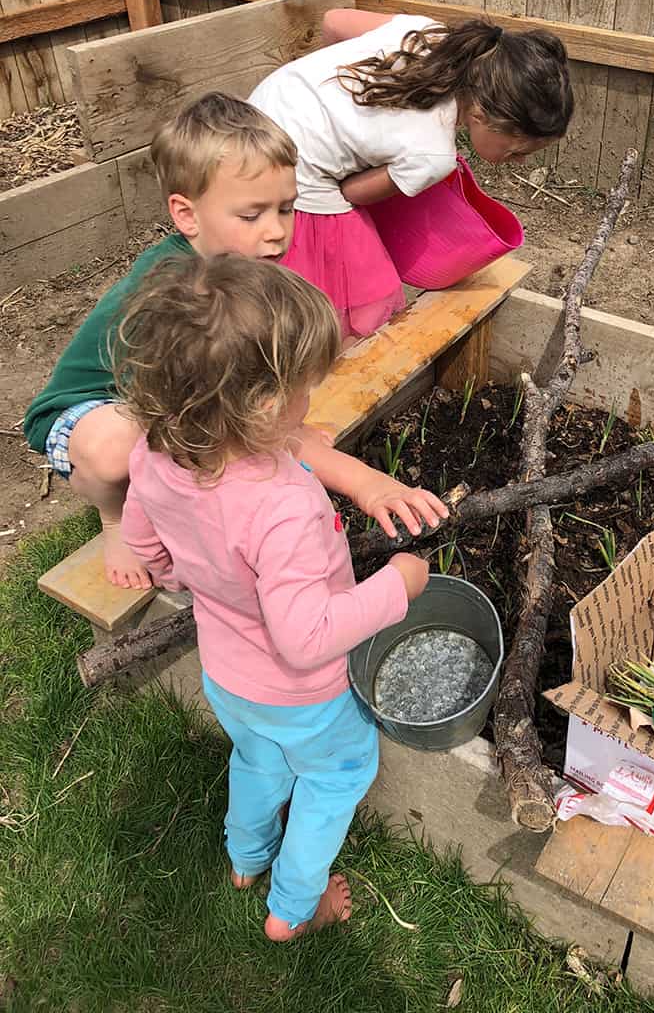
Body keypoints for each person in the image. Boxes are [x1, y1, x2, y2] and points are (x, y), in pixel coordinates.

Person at [117, 253, 446, 941]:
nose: (310, 402)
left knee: (257, 761)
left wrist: (175, 574)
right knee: (332, 784)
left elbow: (147, 544)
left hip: (227, 674)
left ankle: (245, 858)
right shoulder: (281, 508)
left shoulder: (155, 453)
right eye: (305, 388)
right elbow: (306, 637)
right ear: (263, 407)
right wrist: (397, 586)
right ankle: (294, 909)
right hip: (307, 696)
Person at [23, 92, 305, 590]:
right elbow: (171, 409)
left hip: (155, 398)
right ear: (187, 214)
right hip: (92, 412)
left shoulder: (238, 265)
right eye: (251, 215)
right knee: (122, 448)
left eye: (286, 209)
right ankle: (117, 519)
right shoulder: (168, 291)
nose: (276, 232)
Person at [249, 11, 574, 339]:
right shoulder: (434, 155)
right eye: (515, 151)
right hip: (295, 166)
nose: (517, 163)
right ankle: (320, 354)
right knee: (366, 294)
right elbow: (352, 193)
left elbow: (333, 21)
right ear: (481, 115)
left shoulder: (425, 32)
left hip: (260, 108)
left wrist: (338, 101)